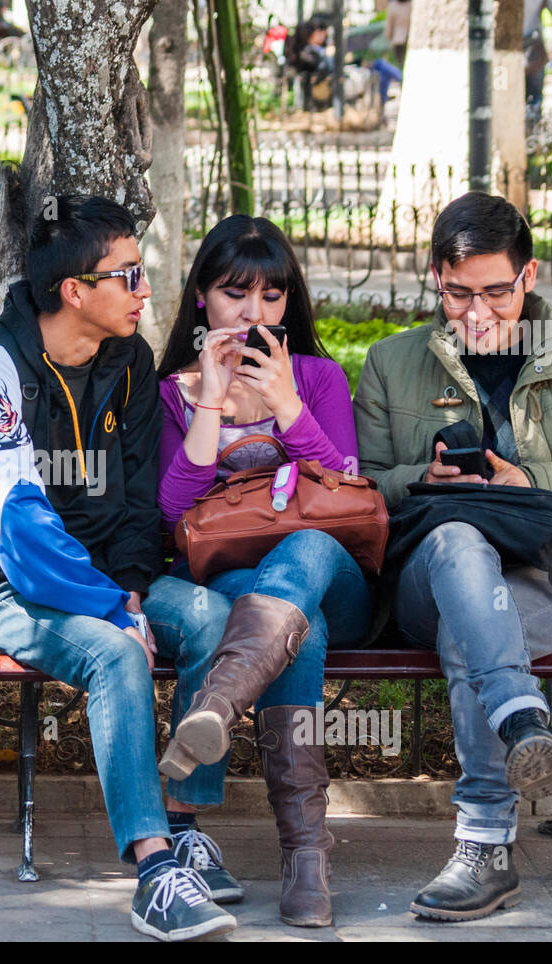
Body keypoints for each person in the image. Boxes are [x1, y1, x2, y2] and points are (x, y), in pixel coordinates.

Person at [0, 195, 237, 941]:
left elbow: (141, 500)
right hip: (3, 587)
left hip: (110, 584)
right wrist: (114, 613)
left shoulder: (130, 362)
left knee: (212, 618)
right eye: (128, 275)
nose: (146, 291)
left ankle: (184, 821)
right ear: (75, 291)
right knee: (114, 654)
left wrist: (132, 590)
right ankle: (152, 871)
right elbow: (20, 527)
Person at [353, 193, 552, 921]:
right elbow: (357, 490)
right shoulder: (393, 364)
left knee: (476, 627)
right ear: (435, 278)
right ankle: (520, 721)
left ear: (527, 277)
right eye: (457, 293)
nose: (476, 311)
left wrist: (531, 479)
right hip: (430, 574)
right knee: (458, 544)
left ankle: (486, 844)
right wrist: (422, 479)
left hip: (543, 580)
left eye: (495, 291)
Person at [153, 215, 369, 927]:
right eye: (235, 293)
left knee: (304, 550)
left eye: (272, 296)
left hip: (335, 573)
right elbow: (173, 512)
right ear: (200, 301)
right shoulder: (173, 394)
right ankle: (307, 857)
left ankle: (216, 706)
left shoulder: (318, 377)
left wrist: (284, 407)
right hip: (239, 588)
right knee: (294, 631)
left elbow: (346, 489)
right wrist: (211, 401)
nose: (254, 313)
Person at [523, 0, 552, 123]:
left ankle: (528, 127)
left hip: (519, 48)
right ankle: (533, 128)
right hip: (535, 50)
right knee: (536, 95)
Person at [385, 0, 411, 69]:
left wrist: (389, 38)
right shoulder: (411, 4)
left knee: (402, 65)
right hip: (408, 39)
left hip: (398, 40)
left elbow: (389, 27)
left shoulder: (392, 6)